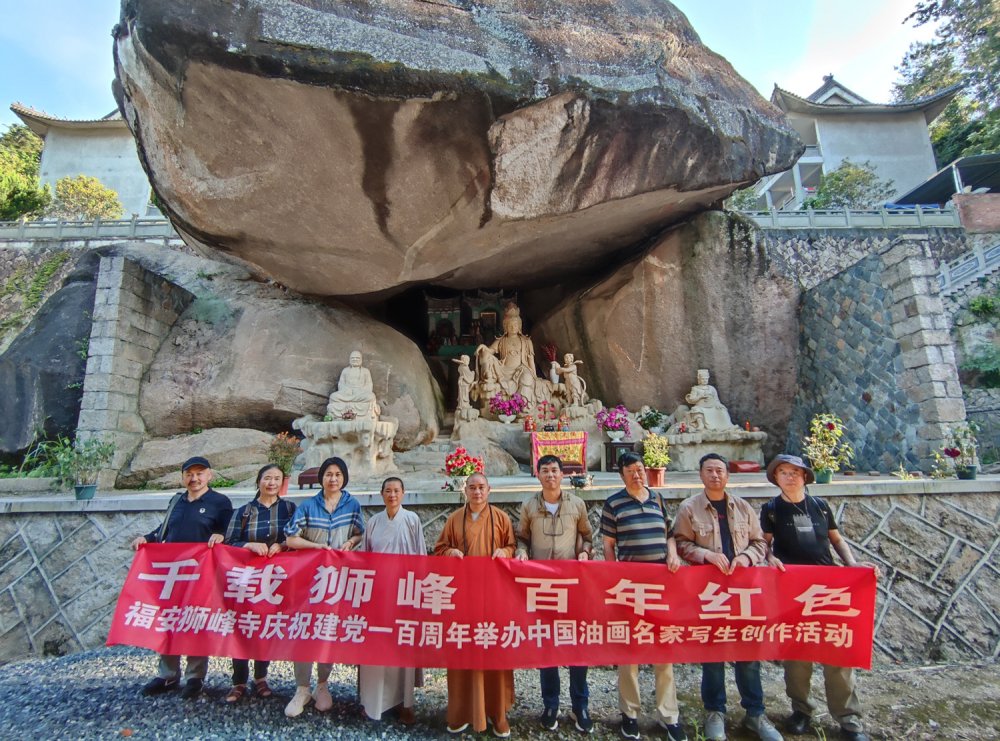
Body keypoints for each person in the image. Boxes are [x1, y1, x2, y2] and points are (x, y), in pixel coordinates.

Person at [761, 454, 878, 741]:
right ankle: (801, 709)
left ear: (805, 477)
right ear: (776, 478)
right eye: (784, 472)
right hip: (792, 591)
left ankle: (848, 719)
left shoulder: (820, 507)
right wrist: (770, 558)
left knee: (837, 652)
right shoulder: (771, 510)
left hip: (828, 587)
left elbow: (836, 539)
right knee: (796, 655)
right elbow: (763, 545)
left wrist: (852, 565)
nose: (790, 477)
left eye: (795, 472)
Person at [672, 453, 782, 741]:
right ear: (700, 475)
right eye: (709, 470)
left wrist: (746, 557)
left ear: (727, 475)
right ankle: (714, 712)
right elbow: (681, 542)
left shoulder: (744, 508)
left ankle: (755, 714)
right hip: (710, 593)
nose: (715, 475)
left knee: (748, 653)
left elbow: (760, 543)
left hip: (743, 592)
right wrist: (706, 554)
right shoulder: (689, 508)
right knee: (713, 653)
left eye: (720, 470)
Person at [600, 452, 687, 741]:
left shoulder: (658, 499)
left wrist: (672, 555)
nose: (637, 475)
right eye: (630, 471)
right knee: (630, 653)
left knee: (664, 651)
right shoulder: (614, 503)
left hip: (660, 586)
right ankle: (630, 714)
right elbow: (609, 545)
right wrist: (612, 577)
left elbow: (670, 534)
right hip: (628, 587)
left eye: (640, 469)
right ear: (622, 475)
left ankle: (669, 715)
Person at [131, 456, 233, 701]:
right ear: (183, 477)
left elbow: (229, 533)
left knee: (194, 622)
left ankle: (194, 677)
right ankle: (167, 673)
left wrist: (220, 536)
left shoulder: (220, 502)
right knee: (169, 620)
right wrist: (147, 538)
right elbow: (165, 530)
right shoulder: (177, 500)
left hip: (201, 574)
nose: (194, 478)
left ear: (210, 475)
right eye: (189, 474)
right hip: (172, 573)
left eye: (200, 473)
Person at [515, 455, 594, 733]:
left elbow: (586, 535)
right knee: (546, 645)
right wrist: (522, 551)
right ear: (538, 475)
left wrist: (584, 551)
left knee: (576, 646)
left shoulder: (577, 504)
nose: (550, 475)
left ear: (563, 475)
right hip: (542, 586)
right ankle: (550, 704)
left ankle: (580, 705)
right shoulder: (528, 505)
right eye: (545, 471)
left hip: (572, 585)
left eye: (555, 471)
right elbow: (522, 537)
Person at [434, 473, 516, 737]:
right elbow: (439, 548)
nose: (477, 492)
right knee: (462, 652)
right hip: (462, 598)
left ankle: (497, 712)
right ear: (465, 490)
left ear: (489, 490)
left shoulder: (501, 518)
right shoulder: (454, 518)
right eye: (472, 487)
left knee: (494, 651)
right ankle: (460, 711)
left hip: (493, 597)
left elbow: (512, 546)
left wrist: (505, 552)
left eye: (481, 487)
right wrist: (450, 553)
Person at [283, 456, 364, 718]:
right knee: (305, 629)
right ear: (321, 478)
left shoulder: (352, 504)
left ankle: (322, 684)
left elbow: (359, 532)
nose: (333, 479)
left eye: (338, 474)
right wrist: (316, 547)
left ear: (344, 478)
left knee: (328, 629)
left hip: (337, 579)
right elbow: (291, 538)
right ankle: (301, 687)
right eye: (328, 474)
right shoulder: (308, 506)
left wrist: (350, 543)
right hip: (309, 577)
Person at [213, 463, 297, 703]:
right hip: (245, 578)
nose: (271, 483)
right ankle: (238, 680)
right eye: (267, 478)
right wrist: (248, 545)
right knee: (241, 625)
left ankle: (261, 677)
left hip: (274, 578)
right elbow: (229, 541)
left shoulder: (290, 509)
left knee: (265, 625)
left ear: (283, 483)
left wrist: (282, 545)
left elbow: (295, 536)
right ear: (258, 481)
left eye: (276, 478)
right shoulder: (244, 511)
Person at [358, 476, 427, 725]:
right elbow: (365, 558)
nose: (392, 495)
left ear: (403, 493)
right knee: (376, 645)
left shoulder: (412, 520)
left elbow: (420, 557)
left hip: (405, 592)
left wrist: (419, 589)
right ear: (382, 494)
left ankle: (404, 703)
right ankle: (372, 702)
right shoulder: (374, 522)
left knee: (402, 646)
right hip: (378, 594)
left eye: (396, 490)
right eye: (388, 491)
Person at [326, 350, 380, 420]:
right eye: (353, 358)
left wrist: (360, 391)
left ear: (361, 360)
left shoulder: (365, 371)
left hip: (360, 394)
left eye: (357, 358)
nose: (355, 359)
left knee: (371, 396)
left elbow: (369, 385)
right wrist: (346, 390)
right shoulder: (345, 370)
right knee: (333, 396)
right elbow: (341, 384)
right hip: (347, 394)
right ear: (349, 360)